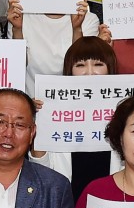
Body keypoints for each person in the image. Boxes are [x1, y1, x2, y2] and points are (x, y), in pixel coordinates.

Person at [30, 36, 119, 196]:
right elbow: (41, 169)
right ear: (69, 70)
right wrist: (38, 121)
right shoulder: (53, 109)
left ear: (110, 68)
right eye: (80, 65)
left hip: (112, 201)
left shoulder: (124, 110)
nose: (89, 72)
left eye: (98, 64)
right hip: (66, 202)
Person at [9, 0, 99, 95]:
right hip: (31, 102)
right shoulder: (21, 17)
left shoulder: (89, 20)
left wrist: (77, 29)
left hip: (73, 101)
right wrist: (17, 29)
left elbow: (84, 70)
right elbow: (16, 68)